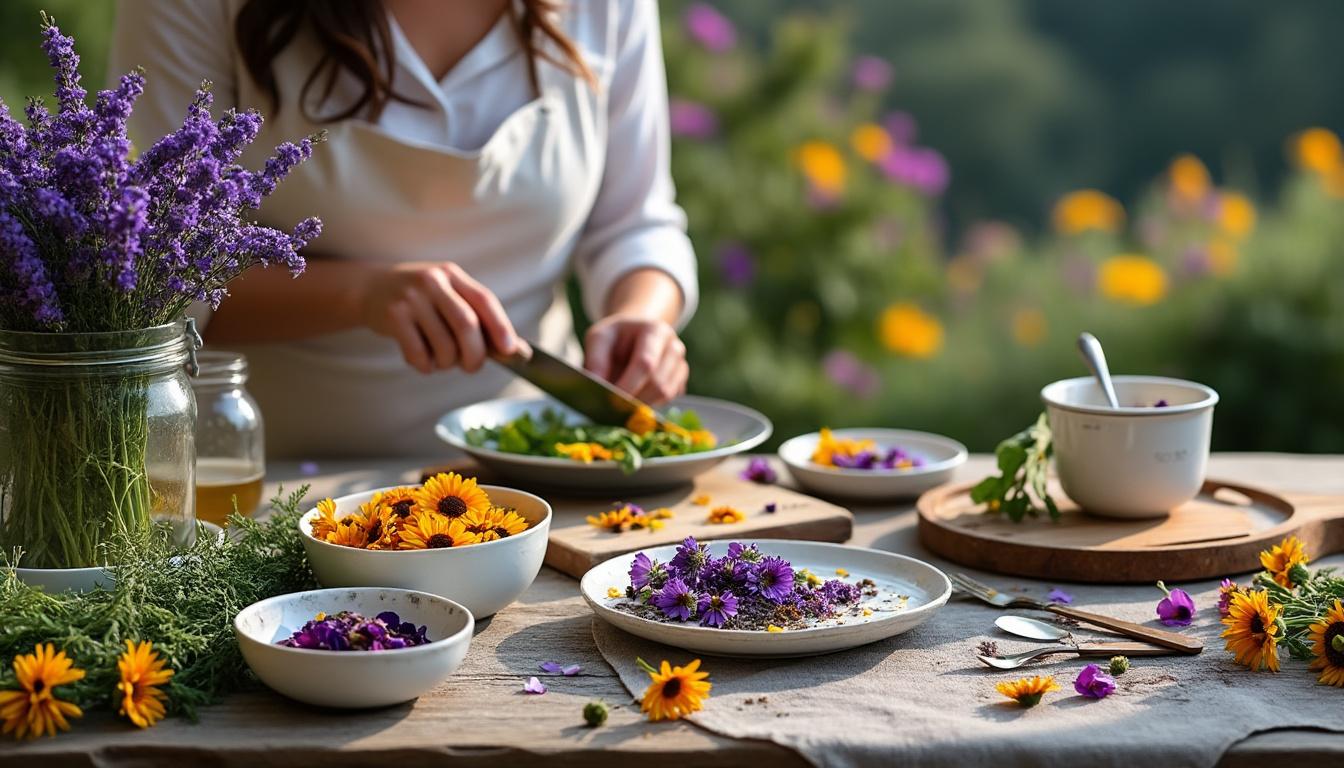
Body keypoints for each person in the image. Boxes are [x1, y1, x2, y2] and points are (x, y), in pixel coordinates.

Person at [111, 0, 697, 457]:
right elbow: (154, 277)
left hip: (532, 473)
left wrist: (642, 315)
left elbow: (635, 223)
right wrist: (361, 295)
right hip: (258, 483)